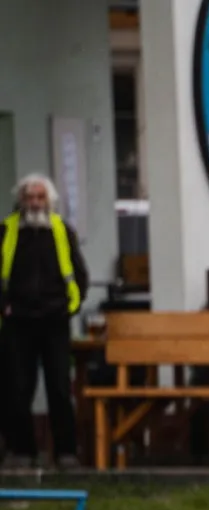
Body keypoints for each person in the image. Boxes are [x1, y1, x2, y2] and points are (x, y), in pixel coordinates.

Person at [1, 174, 89, 469]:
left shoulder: (62, 231)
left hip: (55, 322)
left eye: (40, 197)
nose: (35, 203)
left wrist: (69, 308)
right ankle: (21, 451)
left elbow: (79, 274)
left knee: (60, 388)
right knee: (16, 389)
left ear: (49, 201)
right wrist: (4, 308)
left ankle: (66, 452)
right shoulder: (7, 231)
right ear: (21, 200)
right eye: (30, 197)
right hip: (17, 322)